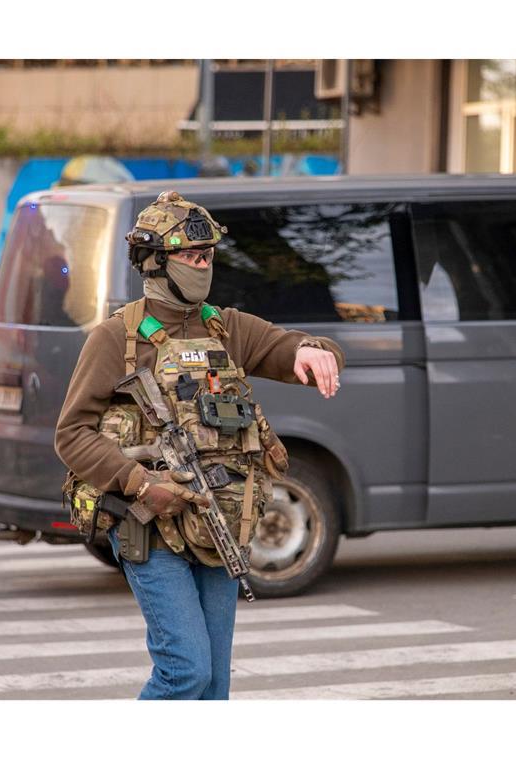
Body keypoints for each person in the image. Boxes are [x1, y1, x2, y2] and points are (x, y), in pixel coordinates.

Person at [55, 190, 344, 699]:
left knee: (215, 688)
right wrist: (140, 483)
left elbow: (286, 346)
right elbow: (72, 434)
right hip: (149, 529)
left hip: (218, 525)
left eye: (208, 256)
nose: (203, 265)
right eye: (192, 256)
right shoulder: (114, 338)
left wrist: (313, 351)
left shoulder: (224, 327)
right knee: (186, 671)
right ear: (155, 262)